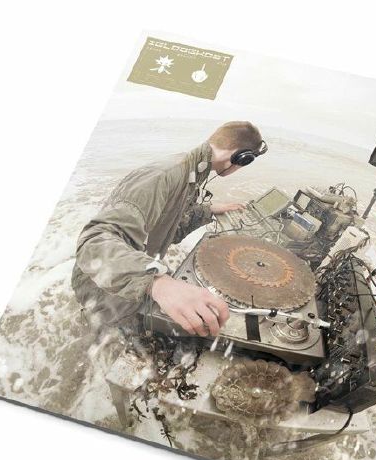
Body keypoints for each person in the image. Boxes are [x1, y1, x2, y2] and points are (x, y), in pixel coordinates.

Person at [71, 121, 268, 338]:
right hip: (107, 288)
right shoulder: (163, 176)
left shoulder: (191, 172)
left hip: (126, 277)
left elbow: (169, 226)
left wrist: (208, 211)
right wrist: (157, 283)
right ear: (240, 157)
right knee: (111, 339)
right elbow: (93, 242)